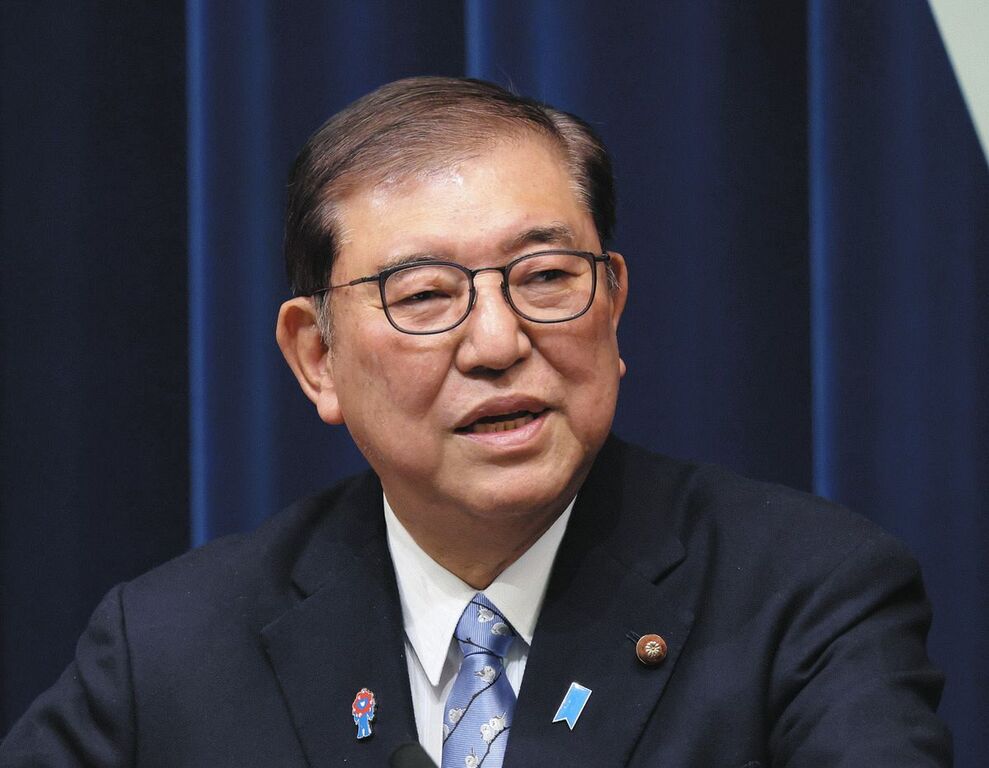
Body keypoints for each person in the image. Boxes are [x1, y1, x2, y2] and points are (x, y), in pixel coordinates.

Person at [0, 77, 950, 767]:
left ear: (613, 306)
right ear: (317, 358)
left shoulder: (805, 596)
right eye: (423, 295)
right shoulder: (169, 648)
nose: (497, 342)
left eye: (545, 277)